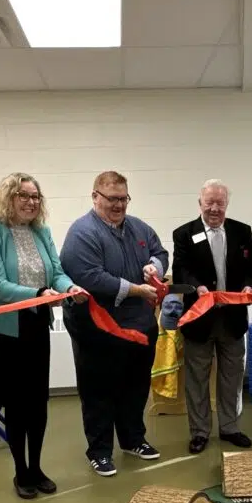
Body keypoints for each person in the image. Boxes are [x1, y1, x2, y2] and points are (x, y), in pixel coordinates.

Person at [0, 173, 87, 498]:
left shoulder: (42, 232)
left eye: (35, 196)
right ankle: (20, 471)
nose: (31, 202)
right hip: (4, 331)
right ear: (7, 198)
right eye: (23, 195)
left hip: (36, 325)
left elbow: (58, 272)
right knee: (16, 404)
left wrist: (70, 288)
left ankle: (36, 467)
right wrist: (41, 292)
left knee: (37, 403)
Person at [59, 170, 169, 477]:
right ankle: (100, 451)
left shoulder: (139, 228)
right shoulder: (82, 233)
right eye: (112, 199)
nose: (119, 205)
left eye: (124, 198)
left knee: (135, 387)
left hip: (139, 327)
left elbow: (161, 251)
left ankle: (133, 439)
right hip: (97, 328)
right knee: (98, 391)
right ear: (95, 197)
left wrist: (154, 265)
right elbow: (89, 276)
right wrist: (136, 289)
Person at [171, 180, 252, 454]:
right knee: (197, 379)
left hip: (232, 319)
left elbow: (251, 268)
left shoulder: (242, 231)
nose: (214, 208)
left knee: (232, 377)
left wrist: (248, 285)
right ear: (200, 204)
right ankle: (199, 432)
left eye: (220, 203)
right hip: (200, 318)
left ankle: (230, 427)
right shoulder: (184, 234)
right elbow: (181, 269)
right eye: (209, 202)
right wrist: (197, 287)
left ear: (227, 205)